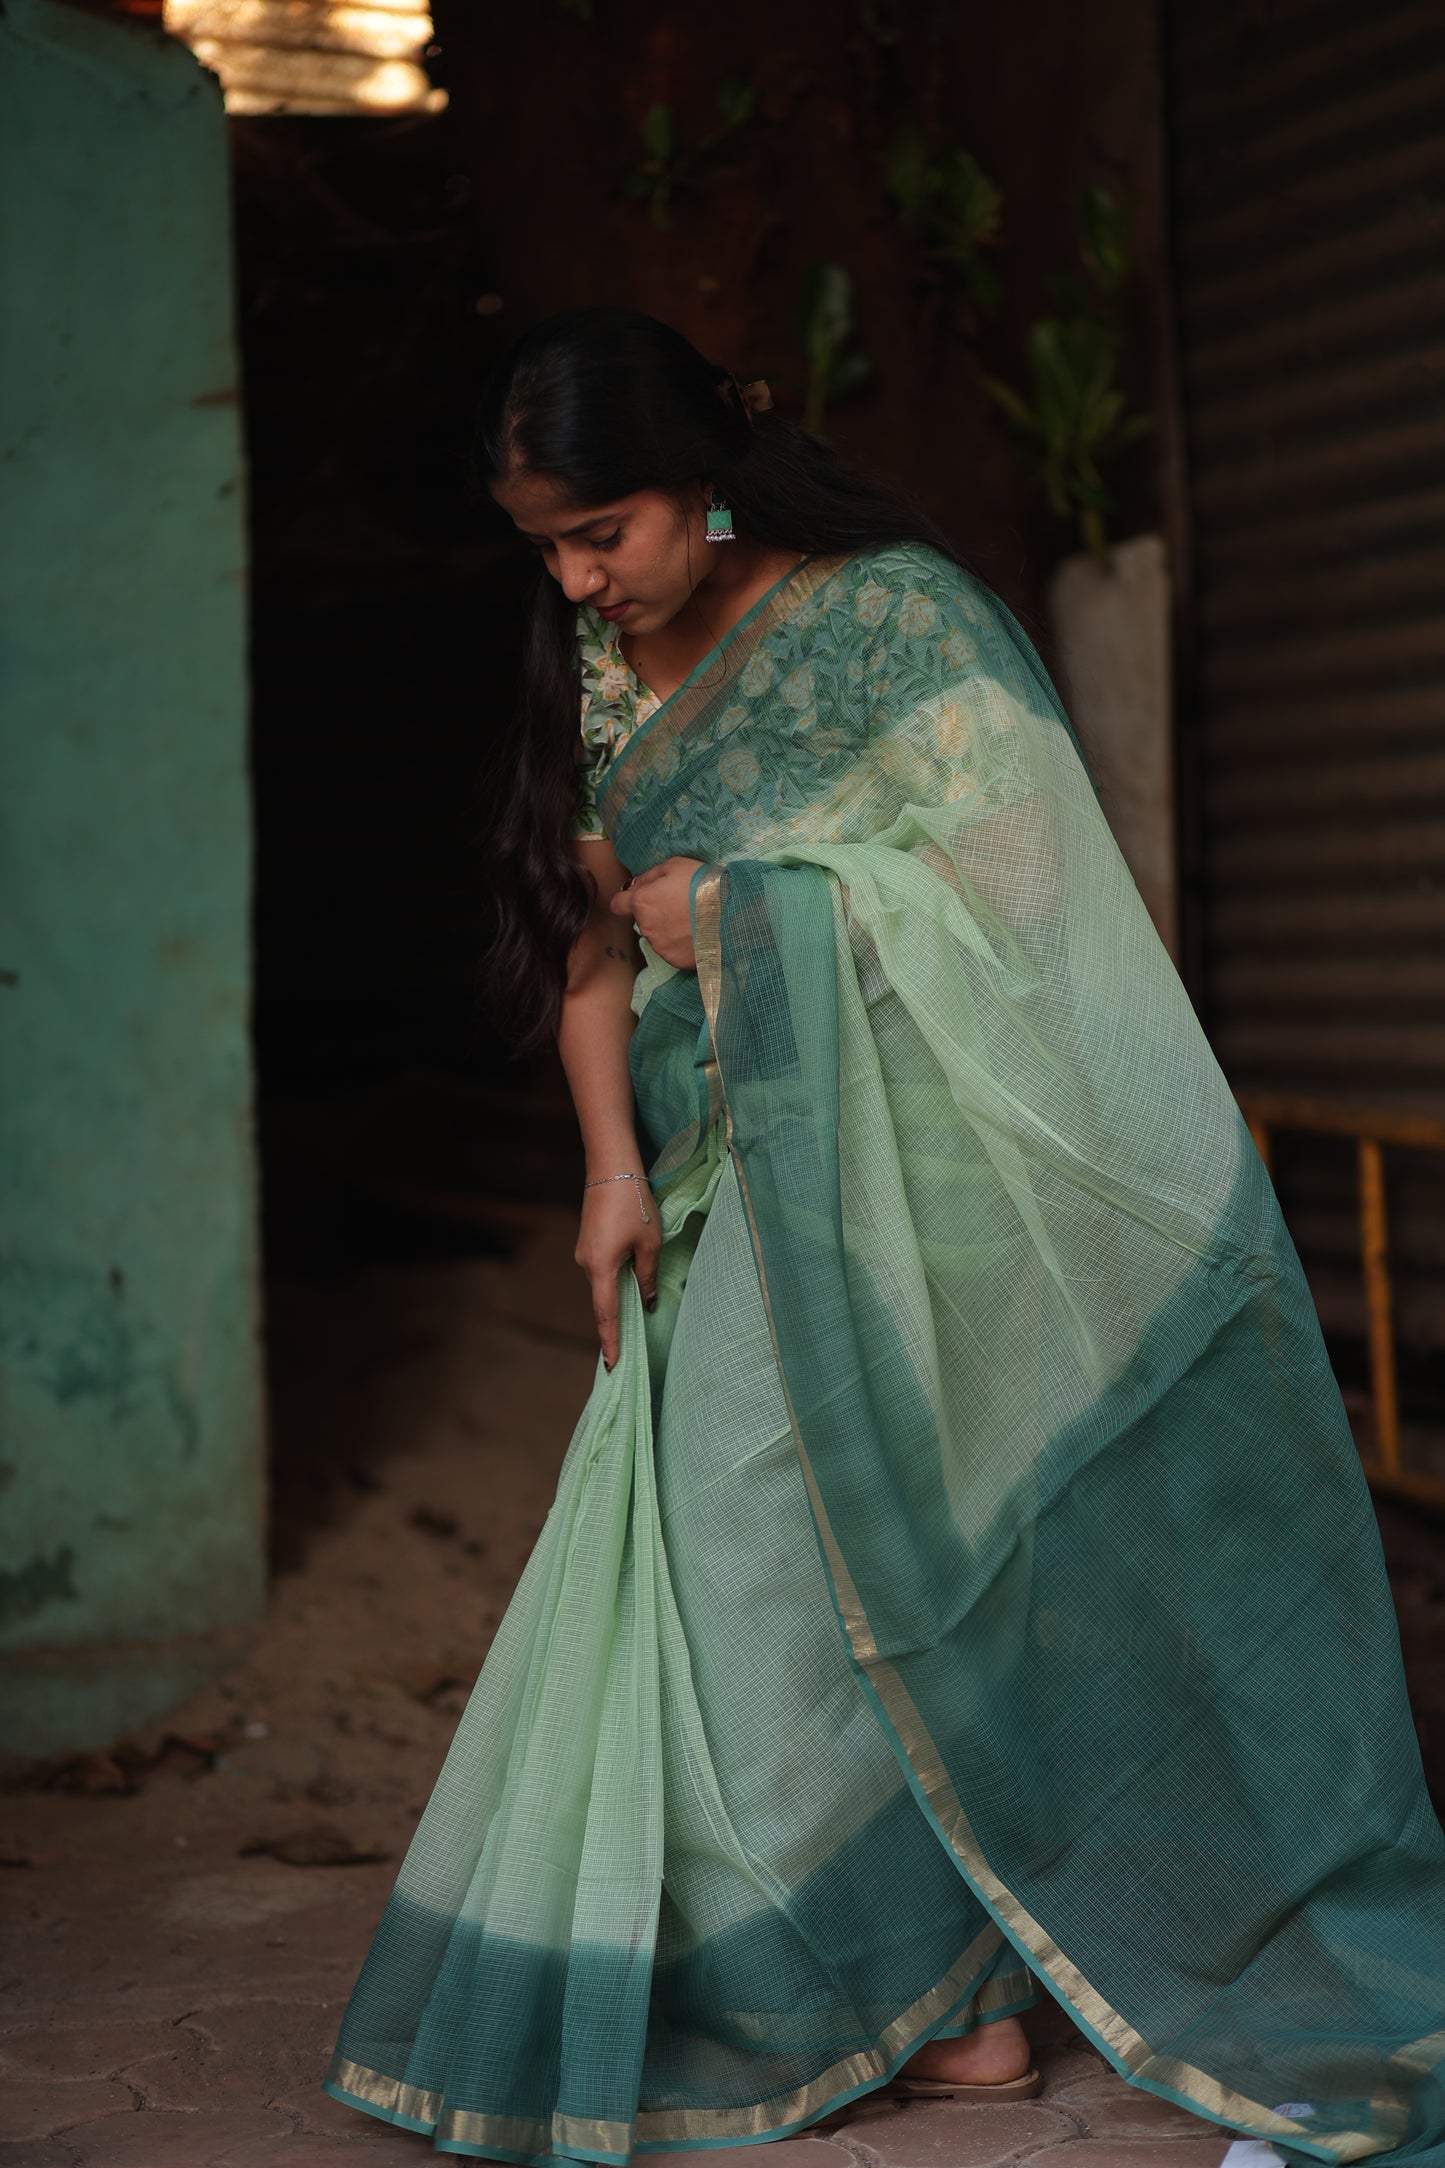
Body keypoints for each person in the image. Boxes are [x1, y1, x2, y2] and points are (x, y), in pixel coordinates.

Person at [324, 308, 1445, 2168]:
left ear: (703, 479)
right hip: (724, 1173)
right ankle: (950, 2006)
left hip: (932, 1168)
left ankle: (975, 1988)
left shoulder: (888, 621)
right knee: (746, 1576)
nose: (574, 577)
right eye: (541, 544)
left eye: (598, 532)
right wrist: (607, 1169)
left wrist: (756, 904)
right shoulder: (604, 664)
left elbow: (1025, 886)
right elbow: (591, 929)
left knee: (899, 1562)